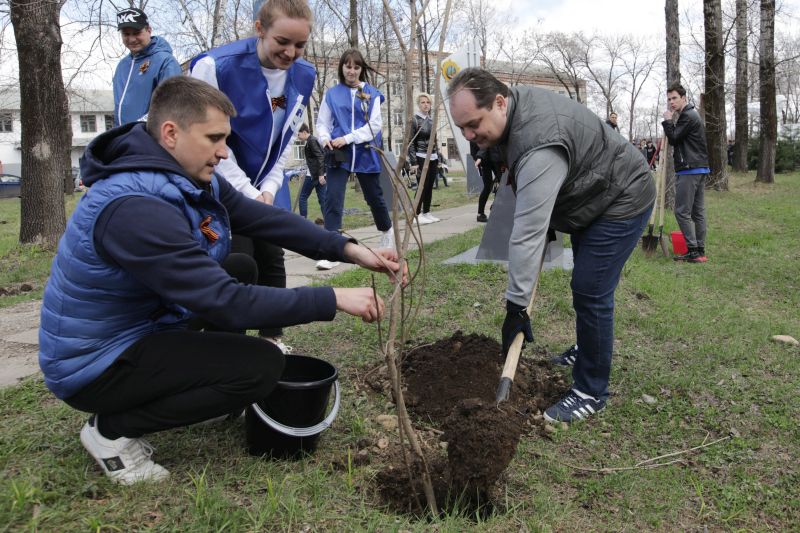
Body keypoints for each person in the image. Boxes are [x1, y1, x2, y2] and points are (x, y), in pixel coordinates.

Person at [38, 76, 401, 485]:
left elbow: (259, 217)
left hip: (137, 327)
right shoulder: (134, 208)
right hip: (95, 364)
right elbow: (224, 301)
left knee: (241, 267)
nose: (224, 151)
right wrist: (331, 298)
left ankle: (213, 386)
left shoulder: (180, 173)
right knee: (262, 365)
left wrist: (347, 249)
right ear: (171, 133)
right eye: (214, 138)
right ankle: (111, 431)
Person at [447, 68, 655, 424]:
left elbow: (527, 232)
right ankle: (588, 347)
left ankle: (591, 391)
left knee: (590, 289)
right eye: (462, 127)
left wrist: (516, 308)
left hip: (622, 196)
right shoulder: (511, 113)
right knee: (587, 288)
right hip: (590, 194)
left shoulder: (540, 141)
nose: (468, 135)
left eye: (473, 124)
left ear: (499, 102)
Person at [190, 0, 316, 351]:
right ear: (260, 30)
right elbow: (211, 142)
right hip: (218, 183)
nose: (291, 53)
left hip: (263, 188)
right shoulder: (215, 67)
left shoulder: (305, 76)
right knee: (236, 262)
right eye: (282, 42)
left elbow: (285, 138)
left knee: (271, 257)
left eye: (300, 45)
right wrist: (249, 192)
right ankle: (228, 348)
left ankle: (272, 340)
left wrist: (271, 189)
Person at [316, 48, 394, 253]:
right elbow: (322, 122)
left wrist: (348, 138)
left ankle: (387, 231)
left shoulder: (372, 94)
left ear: (361, 69)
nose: (351, 71)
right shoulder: (331, 94)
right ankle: (333, 247)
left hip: (364, 151)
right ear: (342, 67)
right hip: (338, 155)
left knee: (374, 197)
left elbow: (375, 126)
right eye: (347, 66)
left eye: (356, 67)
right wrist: (325, 138)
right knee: (332, 197)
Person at [661, 83, 710, 263]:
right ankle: (700, 251)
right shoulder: (691, 115)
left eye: (674, 98)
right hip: (699, 167)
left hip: (690, 169)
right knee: (698, 212)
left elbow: (674, 138)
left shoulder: (687, 116)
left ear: (684, 98)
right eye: (669, 99)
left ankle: (694, 250)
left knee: (682, 211)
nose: (671, 102)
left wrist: (667, 120)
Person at [112, 7, 181, 126]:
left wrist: (138, 130)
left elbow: (171, 105)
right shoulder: (122, 66)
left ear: (149, 30)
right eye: (126, 34)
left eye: (137, 33)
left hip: (149, 138)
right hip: (124, 138)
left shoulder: (165, 61)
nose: (132, 39)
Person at [297, 124, 335, 268]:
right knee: (323, 200)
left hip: (313, 175)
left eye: (299, 134)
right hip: (318, 175)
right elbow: (317, 157)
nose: (298, 136)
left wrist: (319, 174)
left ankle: (302, 223)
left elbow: (320, 157)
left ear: (305, 132)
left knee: (302, 197)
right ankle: (329, 224)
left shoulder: (311, 141)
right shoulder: (311, 141)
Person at [408, 93, 441, 224]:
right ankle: (415, 214)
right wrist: (414, 162)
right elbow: (410, 142)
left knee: (429, 186)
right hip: (420, 157)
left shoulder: (431, 120)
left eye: (428, 102)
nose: (425, 104)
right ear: (418, 104)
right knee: (422, 185)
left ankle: (426, 212)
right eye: (423, 102)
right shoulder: (415, 120)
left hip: (432, 157)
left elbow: (435, 140)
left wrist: (438, 158)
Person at [471, 140, 503, 223]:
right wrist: (477, 157)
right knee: (488, 187)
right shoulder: (473, 132)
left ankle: (494, 206)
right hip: (485, 160)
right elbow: (478, 146)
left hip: (494, 158)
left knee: (502, 184)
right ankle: (480, 213)